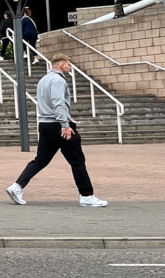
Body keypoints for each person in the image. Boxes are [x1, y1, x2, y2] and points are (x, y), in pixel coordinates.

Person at [6, 53, 108, 207]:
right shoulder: (58, 80)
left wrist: (67, 117)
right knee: (77, 161)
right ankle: (87, 195)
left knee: (41, 159)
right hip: (58, 125)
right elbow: (58, 102)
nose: (69, 67)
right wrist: (65, 124)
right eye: (68, 64)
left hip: (45, 124)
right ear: (61, 65)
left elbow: (47, 103)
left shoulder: (43, 80)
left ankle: (17, 186)